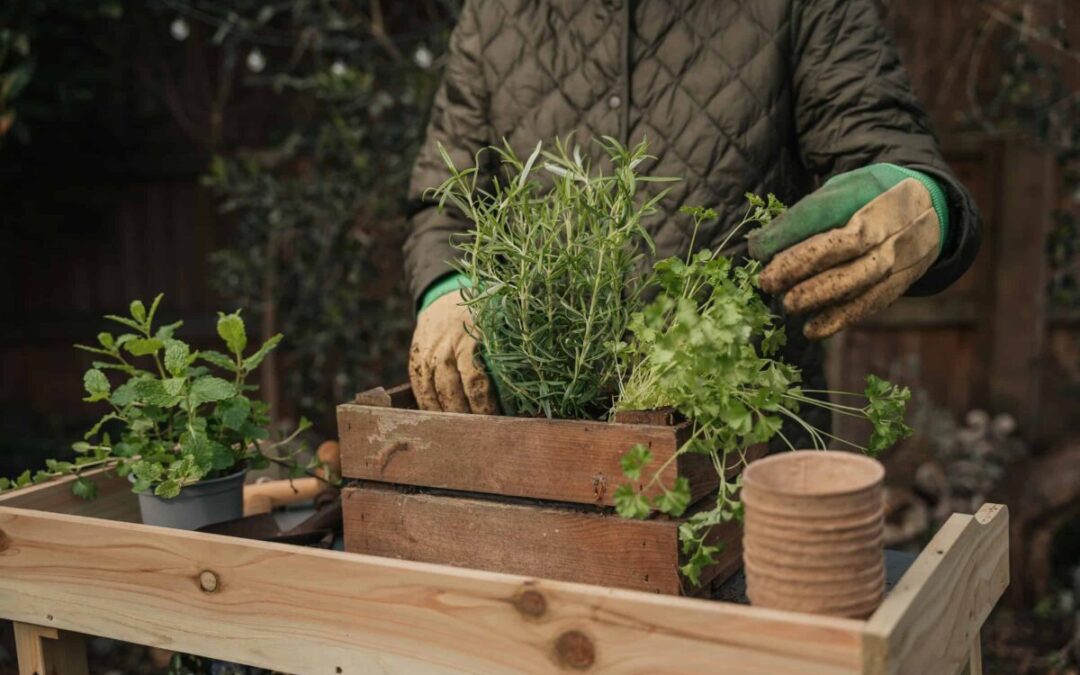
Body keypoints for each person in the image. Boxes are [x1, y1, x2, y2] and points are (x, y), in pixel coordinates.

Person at [403, 0, 981, 435]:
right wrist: (448, 286)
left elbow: (882, 140)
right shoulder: (498, 11)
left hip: (743, 433)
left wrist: (925, 200)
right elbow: (448, 201)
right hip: (539, 437)